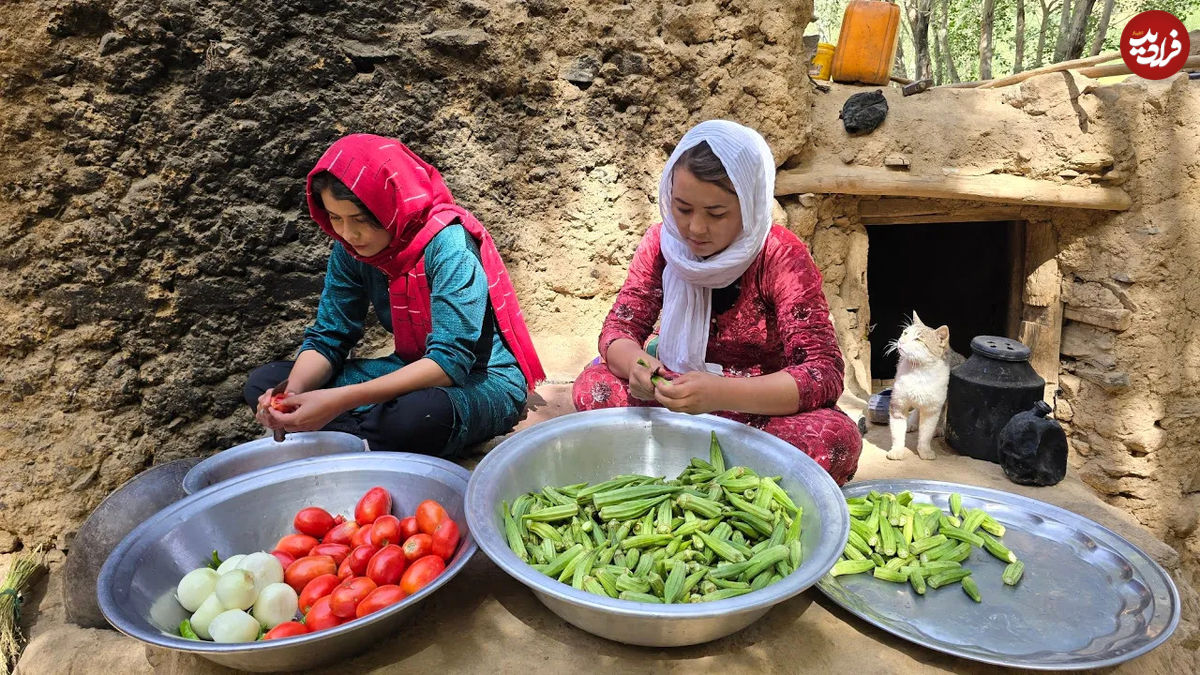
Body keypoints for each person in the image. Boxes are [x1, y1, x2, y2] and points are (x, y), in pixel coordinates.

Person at [572, 120, 861, 484]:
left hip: (754, 407)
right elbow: (618, 330)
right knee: (592, 387)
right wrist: (642, 366)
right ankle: (726, 471)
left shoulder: (779, 255)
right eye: (683, 208)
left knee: (836, 440)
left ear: (750, 204)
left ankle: (673, 461)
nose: (694, 229)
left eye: (716, 214)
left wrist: (721, 394)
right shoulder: (663, 244)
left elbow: (823, 373)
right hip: (673, 392)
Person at [245, 134, 545, 457]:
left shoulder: (449, 246)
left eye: (360, 219)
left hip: (479, 379)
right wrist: (292, 393)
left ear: (389, 205)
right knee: (264, 383)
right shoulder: (351, 251)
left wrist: (339, 401)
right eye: (335, 218)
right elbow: (328, 337)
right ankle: (368, 434)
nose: (348, 233)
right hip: (408, 367)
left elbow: (447, 363)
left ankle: (359, 432)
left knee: (416, 417)